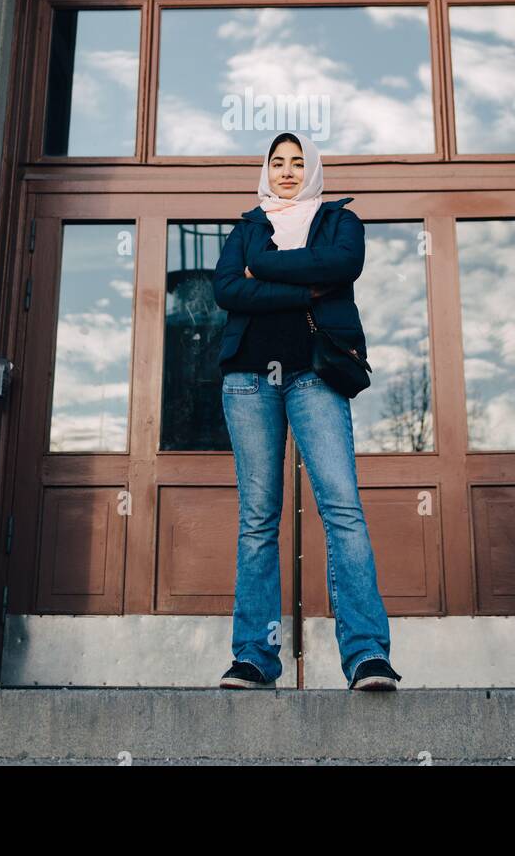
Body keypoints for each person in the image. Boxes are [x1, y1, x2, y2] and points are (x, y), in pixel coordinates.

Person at [212, 130, 402, 691]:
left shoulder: (341, 219)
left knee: (342, 509)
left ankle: (367, 655)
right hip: (248, 379)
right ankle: (254, 658)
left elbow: (343, 265)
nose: (289, 171)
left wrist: (264, 269)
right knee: (257, 521)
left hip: (315, 376)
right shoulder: (247, 227)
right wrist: (306, 285)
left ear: (313, 169)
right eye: (279, 162)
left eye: (299, 162)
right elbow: (226, 291)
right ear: (266, 170)